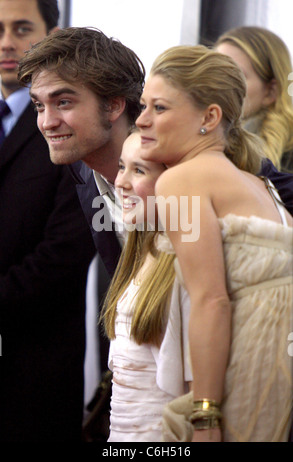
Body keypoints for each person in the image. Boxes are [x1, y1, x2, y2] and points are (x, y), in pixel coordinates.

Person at [136, 44, 293, 442]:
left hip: (252, 373)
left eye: (159, 108)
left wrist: (205, 415)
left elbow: (211, 300)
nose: (141, 121)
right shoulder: (260, 185)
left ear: (210, 116)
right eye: (143, 106)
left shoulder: (181, 180)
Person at [17, 25, 145, 441]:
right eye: (39, 105)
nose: (46, 122)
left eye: (64, 102)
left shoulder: (175, 170)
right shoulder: (84, 176)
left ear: (113, 105)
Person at [0, 0, 95, 442]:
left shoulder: (71, 131)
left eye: (21, 29)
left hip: (34, 373)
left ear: (51, 38)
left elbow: (65, 254)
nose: (6, 44)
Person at [102, 130, 192, 442]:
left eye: (139, 170)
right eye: (121, 166)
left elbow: (196, 394)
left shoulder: (186, 269)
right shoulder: (141, 252)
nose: (120, 182)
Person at [215, 26, 293, 173]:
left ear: (271, 91)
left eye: (236, 76)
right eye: (215, 72)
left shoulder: (284, 159)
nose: (218, 84)